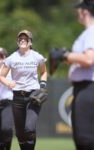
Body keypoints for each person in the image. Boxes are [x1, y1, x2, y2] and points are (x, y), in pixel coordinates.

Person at [54, 0, 94, 149]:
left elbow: (89, 59)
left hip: (88, 89)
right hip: (85, 89)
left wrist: (65, 55)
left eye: (79, 9)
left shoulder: (91, 31)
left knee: (86, 140)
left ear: (84, 11)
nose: (77, 12)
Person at [0, 30, 47, 150]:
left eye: (25, 38)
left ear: (30, 42)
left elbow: (44, 72)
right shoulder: (12, 58)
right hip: (17, 97)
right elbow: (1, 76)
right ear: (17, 41)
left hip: (33, 96)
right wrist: (8, 83)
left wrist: (42, 87)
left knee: (29, 129)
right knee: (20, 133)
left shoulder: (37, 57)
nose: (22, 40)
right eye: (20, 38)